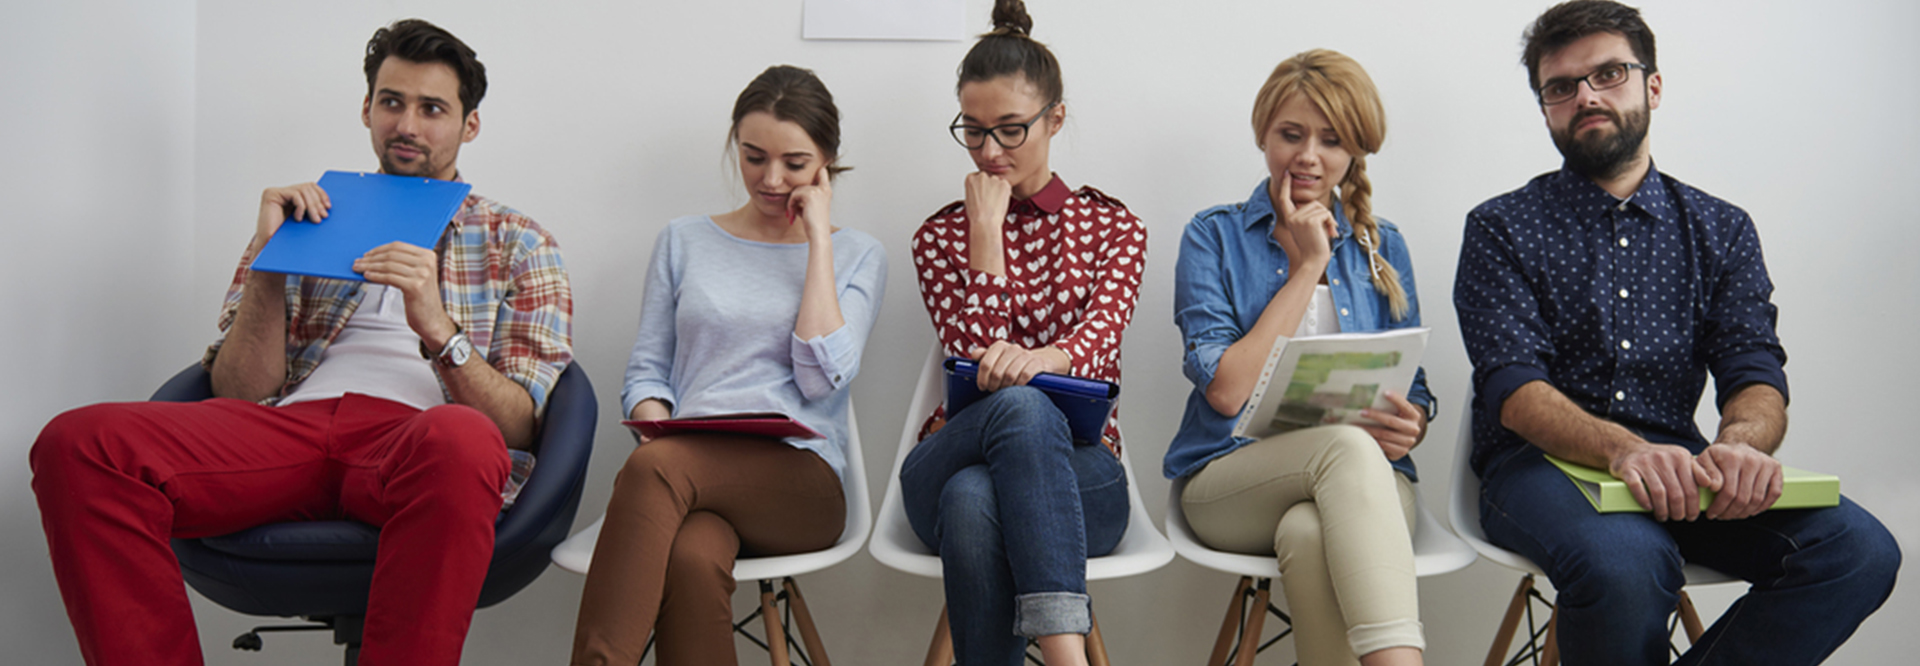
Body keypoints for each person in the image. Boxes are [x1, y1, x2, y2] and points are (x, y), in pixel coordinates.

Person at [29, 19, 571, 666]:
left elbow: (516, 427)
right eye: (392, 102)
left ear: (469, 124)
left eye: (433, 109)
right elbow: (238, 390)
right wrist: (270, 261)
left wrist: (437, 329)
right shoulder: (306, 215)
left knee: (464, 437)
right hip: (287, 433)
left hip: (417, 442)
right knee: (77, 445)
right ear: (367, 108)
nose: (407, 125)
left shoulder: (520, 241)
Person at [1454, 2, 1900, 664]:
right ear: (1544, 107)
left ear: (1652, 85)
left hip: (1680, 467)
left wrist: (1743, 446)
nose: (1586, 97)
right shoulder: (1501, 226)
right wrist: (1625, 451)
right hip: (1535, 466)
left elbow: (1754, 371)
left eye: (1608, 73)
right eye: (1561, 86)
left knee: (1858, 550)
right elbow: (1514, 388)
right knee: (1629, 561)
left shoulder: (1722, 230)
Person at [569, 65, 885, 666]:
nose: (770, 179)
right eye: (753, 156)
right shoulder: (683, 240)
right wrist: (655, 420)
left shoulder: (857, 253)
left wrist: (818, 240)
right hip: (690, 470)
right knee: (691, 555)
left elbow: (821, 379)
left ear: (826, 162)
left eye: (793, 163)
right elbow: (647, 373)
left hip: (801, 484)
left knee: (657, 470)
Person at [1165, 50, 1431, 666]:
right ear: (1263, 134)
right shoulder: (1213, 236)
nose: (1309, 156)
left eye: (1331, 140)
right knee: (1344, 444)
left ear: (1355, 150)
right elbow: (1227, 393)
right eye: (1291, 134)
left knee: (1310, 535)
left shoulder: (1383, 244)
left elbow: (1411, 384)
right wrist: (1308, 264)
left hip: (1367, 486)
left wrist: (1410, 423)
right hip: (1232, 479)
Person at [900, 1, 1146, 664]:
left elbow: (1099, 344)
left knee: (977, 495)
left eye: (1011, 131)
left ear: (1055, 118)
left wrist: (1040, 359)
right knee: (1014, 406)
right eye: (973, 132)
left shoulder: (1117, 229)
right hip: (949, 454)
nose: (989, 151)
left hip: (1083, 473)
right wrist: (985, 236)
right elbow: (976, 372)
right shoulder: (940, 236)